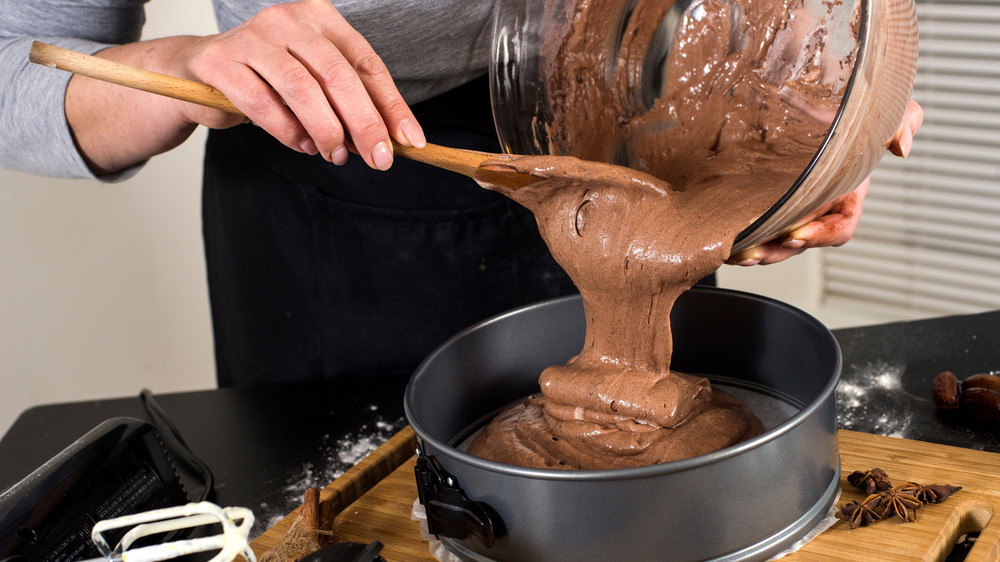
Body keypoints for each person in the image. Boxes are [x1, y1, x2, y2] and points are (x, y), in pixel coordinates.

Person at [0, 0, 923, 387]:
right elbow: (18, 65)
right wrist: (174, 63)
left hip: (652, 160)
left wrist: (817, 104)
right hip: (337, 213)